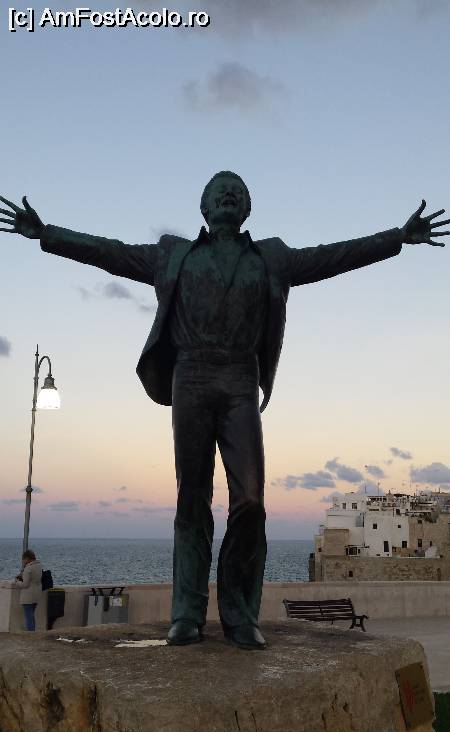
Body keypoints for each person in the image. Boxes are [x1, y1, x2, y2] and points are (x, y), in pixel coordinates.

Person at [0, 175, 448, 649]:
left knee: (250, 500)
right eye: (219, 189)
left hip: (240, 377)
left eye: (237, 189)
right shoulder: (174, 254)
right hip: (190, 374)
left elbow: (333, 256)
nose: (228, 192)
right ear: (205, 207)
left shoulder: (272, 258)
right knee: (191, 497)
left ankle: (239, 613)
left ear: (247, 207)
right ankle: (186, 613)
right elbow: (109, 252)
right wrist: (47, 233)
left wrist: (397, 238)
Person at [15, 549, 43, 632]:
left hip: (28, 596)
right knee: (31, 615)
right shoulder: (39, 566)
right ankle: (33, 633)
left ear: (27, 558)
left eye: (23, 559)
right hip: (36, 594)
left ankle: (31, 634)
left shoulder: (28, 568)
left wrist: (17, 582)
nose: (22, 561)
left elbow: (25, 584)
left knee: (29, 617)